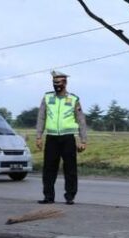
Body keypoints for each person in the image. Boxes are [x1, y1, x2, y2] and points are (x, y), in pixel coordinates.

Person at [35, 70, 88, 205]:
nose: (56, 85)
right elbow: (41, 117)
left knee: (70, 169)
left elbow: (81, 120)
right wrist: (39, 136)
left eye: (58, 82)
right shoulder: (47, 98)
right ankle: (48, 196)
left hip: (68, 138)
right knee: (49, 169)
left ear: (65, 83)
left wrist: (83, 140)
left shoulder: (73, 99)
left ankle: (70, 196)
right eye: (54, 82)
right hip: (51, 138)